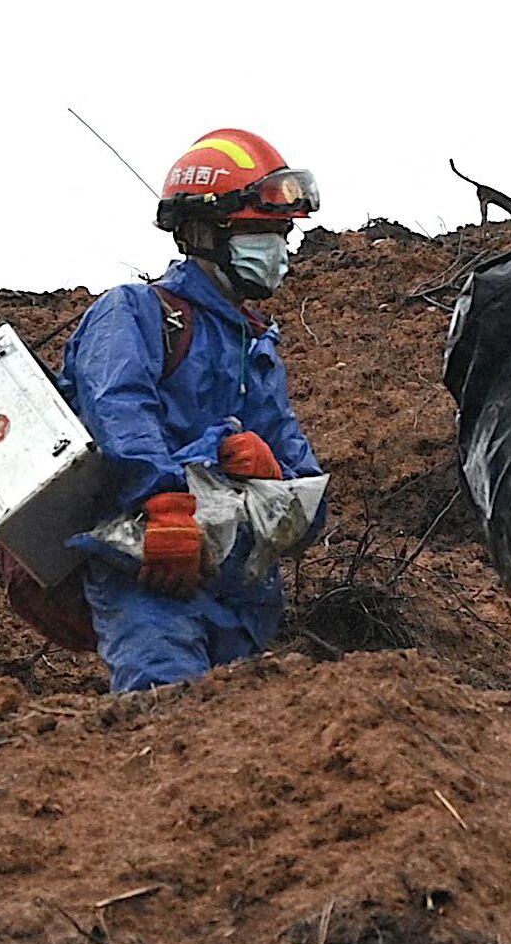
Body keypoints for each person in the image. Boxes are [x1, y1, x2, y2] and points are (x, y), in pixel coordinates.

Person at [55, 128, 328, 693]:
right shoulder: (133, 313)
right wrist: (165, 500)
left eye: (281, 233)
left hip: (243, 597)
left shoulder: (256, 348)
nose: (278, 249)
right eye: (260, 231)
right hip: (153, 575)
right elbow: (119, 407)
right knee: (166, 721)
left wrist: (276, 474)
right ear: (203, 232)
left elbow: (308, 490)